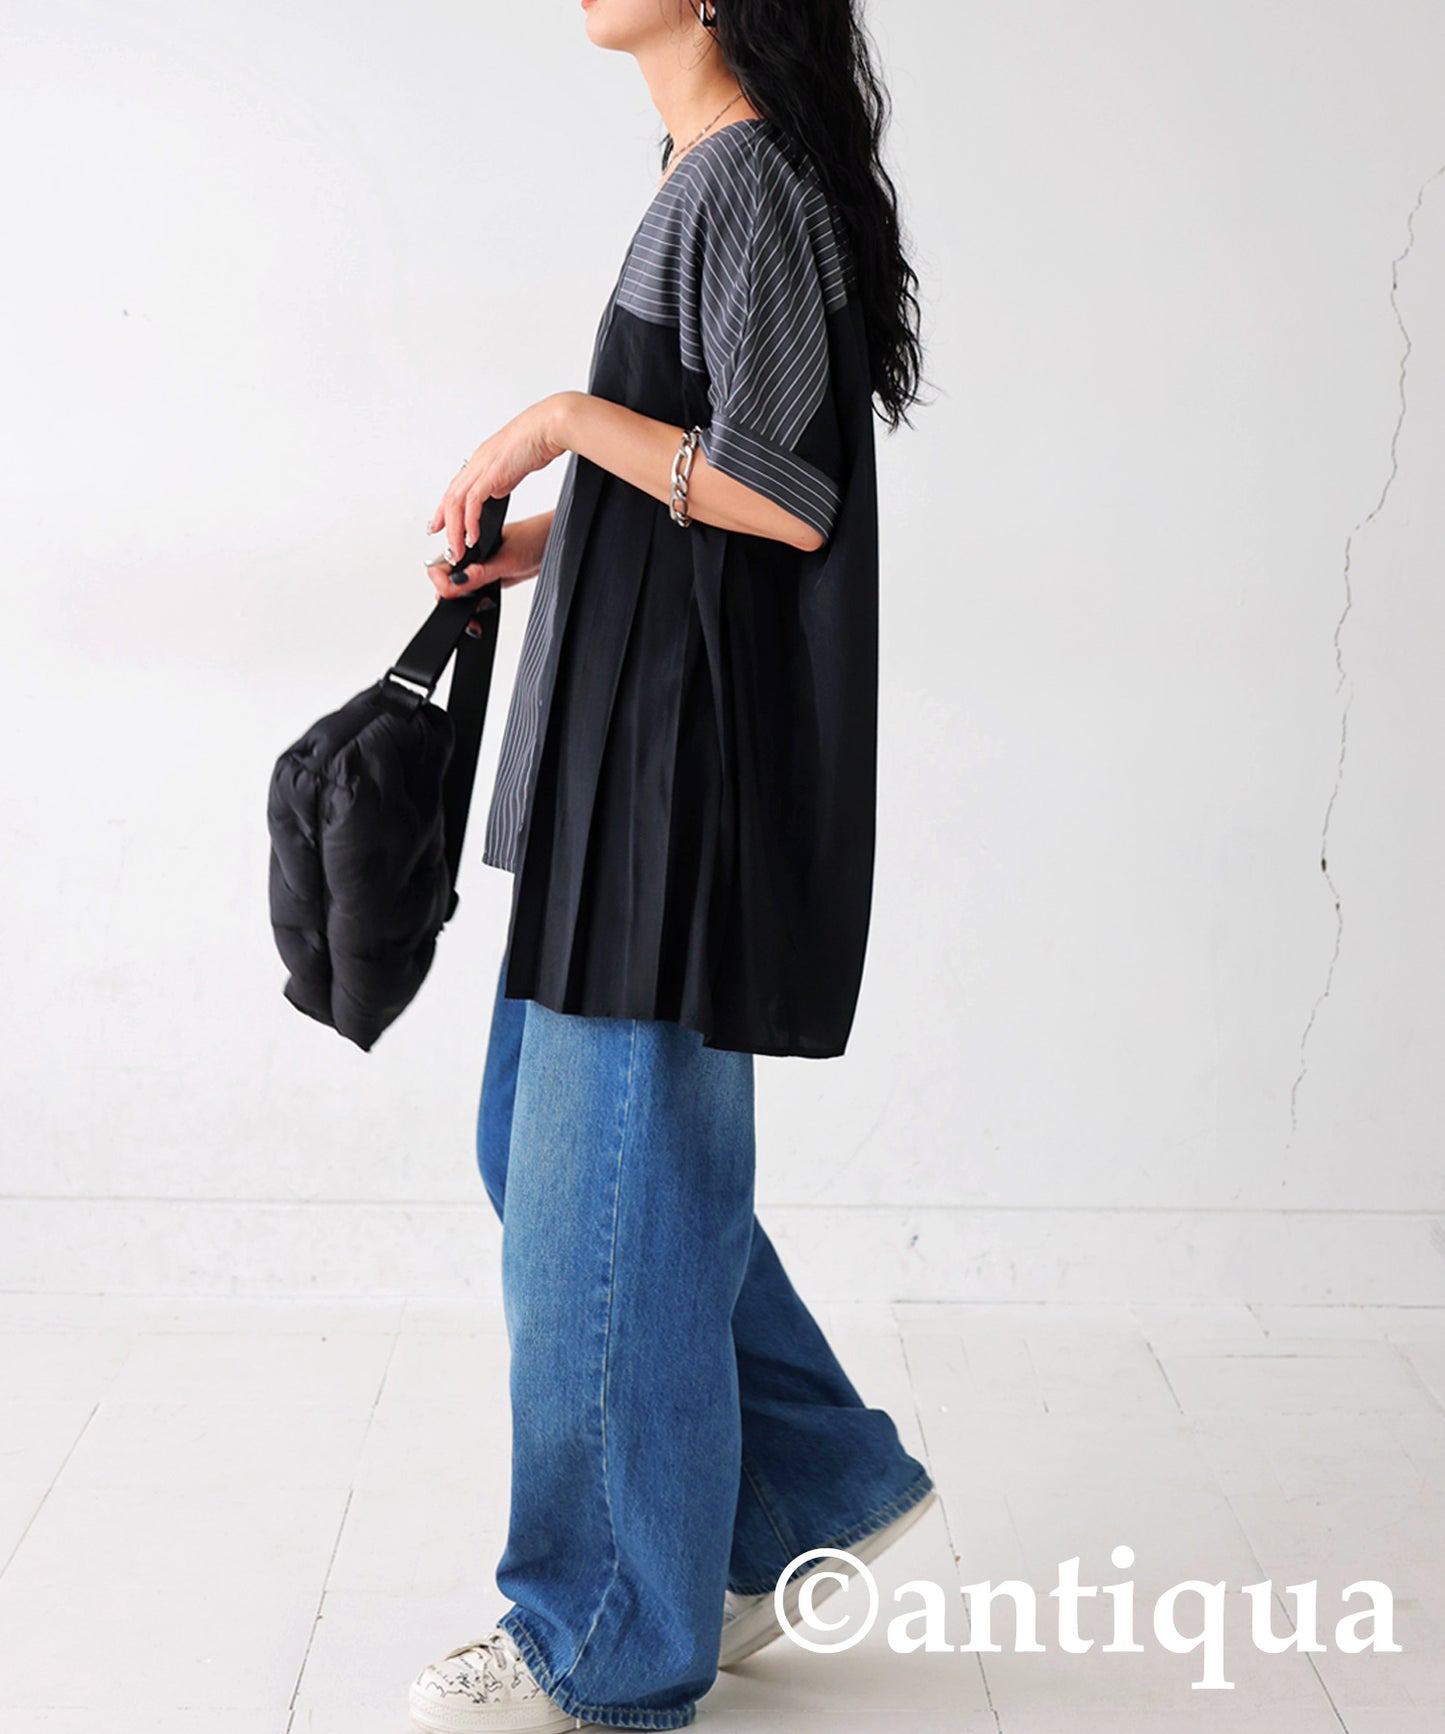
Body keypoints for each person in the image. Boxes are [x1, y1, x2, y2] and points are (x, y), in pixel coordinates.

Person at [409, 2, 935, 1729]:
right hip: (626, 775)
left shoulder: (743, 181)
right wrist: (544, 543)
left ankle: (611, 1639)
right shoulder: (698, 169)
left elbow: (784, 496)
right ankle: (807, 1490)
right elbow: (697, 470)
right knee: (562, 1159)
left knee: (599, 1208)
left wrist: (565, 418)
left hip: (671, 785)